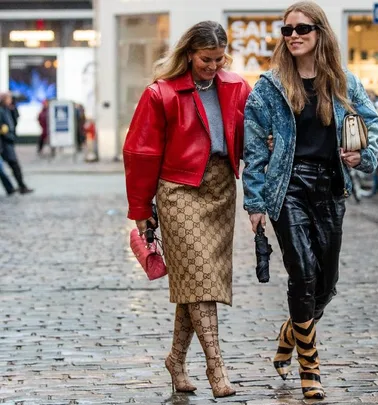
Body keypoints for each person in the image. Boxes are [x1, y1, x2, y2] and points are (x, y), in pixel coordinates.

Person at [242, 1, 378, 399]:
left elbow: (371, 124)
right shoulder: (268, 88)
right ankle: (310, 368)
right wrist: (254, 203)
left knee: (326, 285)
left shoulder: (342, 83)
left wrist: (362, 155)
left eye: (302, 28)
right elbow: (254, 151)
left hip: (330, 189)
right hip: (287, 190)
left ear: (319, 32)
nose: (294, 36)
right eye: (287, 30)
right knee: (302, 274)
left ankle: (291, 332)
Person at [123, 21, 251, 398]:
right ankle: (217, 368)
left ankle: (175, 361)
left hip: (220, 189)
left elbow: (250, 137)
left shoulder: (236, 87)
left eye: (218, 59)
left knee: (198, 282)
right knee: (199, 277)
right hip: (178, 190)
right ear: (189, 54)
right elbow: (140, 152)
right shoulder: (160, 93)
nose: (213, 66)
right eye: (205, 59)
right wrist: (140, 208)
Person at [0, 92, 33, 194]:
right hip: (4, 142)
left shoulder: (8, 109)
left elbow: (15, 119)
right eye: (8, 99)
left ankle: (15, 187)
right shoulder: (1, 111)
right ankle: (18, 187)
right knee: (13, 165)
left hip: (7, 140)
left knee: (11, 166)